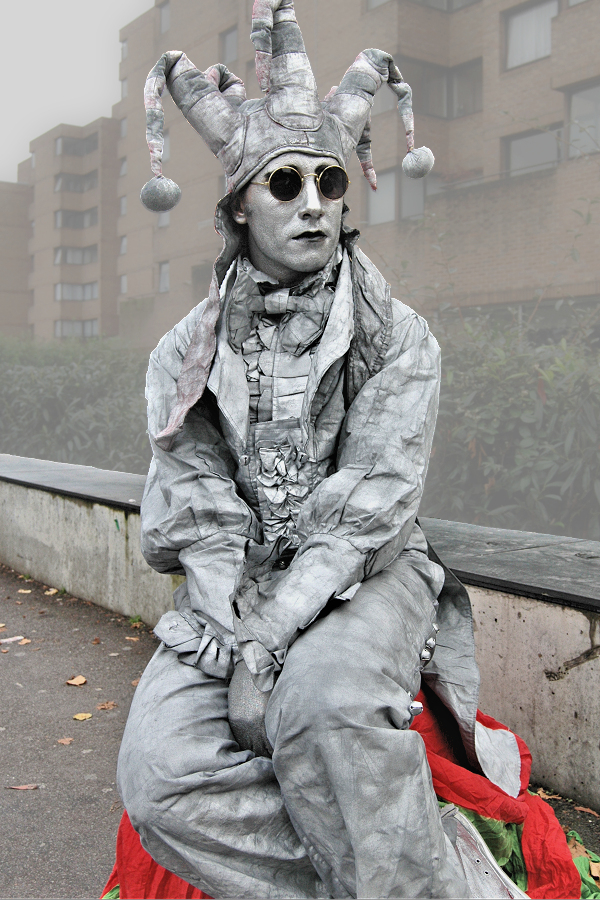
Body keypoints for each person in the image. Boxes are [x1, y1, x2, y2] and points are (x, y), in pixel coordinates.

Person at [117, 2, 526, 897]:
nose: (312, 204)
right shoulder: (182, 353)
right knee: (161, 777)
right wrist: (231, 619)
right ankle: (421, 867)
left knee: (325, 708)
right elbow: (192, 489)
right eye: (285, 185)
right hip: (238, 584)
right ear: (236, 209)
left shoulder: (400, 336)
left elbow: (372, 503)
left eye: (329, 184)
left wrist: (265, 650)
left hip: (367, 570)